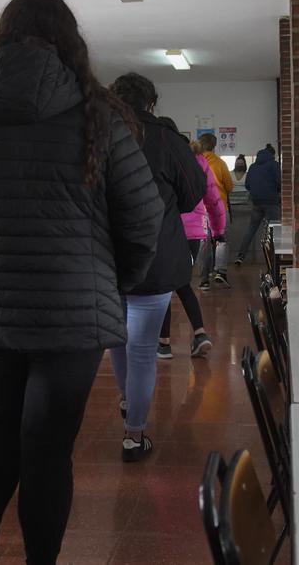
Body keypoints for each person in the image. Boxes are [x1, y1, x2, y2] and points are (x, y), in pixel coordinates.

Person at [0, 0, 163, 565]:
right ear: (67, 41)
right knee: (47, 446)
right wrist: (110, 280)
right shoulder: (99, 116)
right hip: (72, 316)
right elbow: (143, 216)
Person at [108, 73, 205, 462]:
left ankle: (128, 399)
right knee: (144, 349)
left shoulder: (95, 137)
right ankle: (134, 435)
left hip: (106, 260)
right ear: (150, 103)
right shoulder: (166, 138)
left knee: (116, 338)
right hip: (155, 257)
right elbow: (193, 192)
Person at [158, 136, 226, 359]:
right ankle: (199, 334)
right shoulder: (201, 162)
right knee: (181, 282)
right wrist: (218, 230)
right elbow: (214, 199)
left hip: (170, 229)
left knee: (167, 284)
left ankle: (165, 343)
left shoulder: (167, 159)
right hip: (195, 233)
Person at [233, 146, 281, 265]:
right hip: (271, 203)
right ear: (272, 155)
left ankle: (240, 256)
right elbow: (279, 181)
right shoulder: (273, 165)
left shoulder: (253, 167)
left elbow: (248, 185)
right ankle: (276, 258)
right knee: (276, 230)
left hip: (256, 203)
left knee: (251, 229)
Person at [198, 133, 234, 284]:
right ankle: (220, 272)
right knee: (221, 241)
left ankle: (204, 279)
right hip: (219, 208)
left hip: (201, 209)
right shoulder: (220, 163)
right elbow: (230, 186)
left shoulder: (195, 162)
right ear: (214, 146)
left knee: (204, 243)